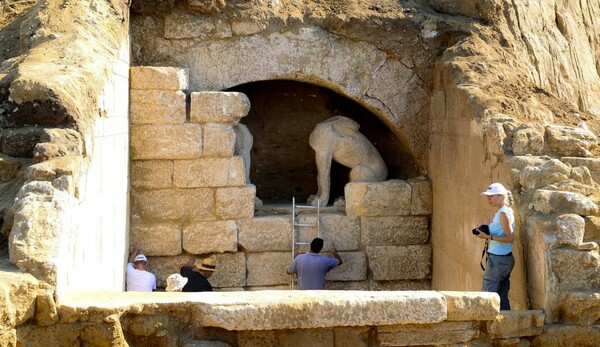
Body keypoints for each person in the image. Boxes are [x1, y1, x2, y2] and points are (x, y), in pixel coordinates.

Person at [475, 182, 516, 310]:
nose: (489, 199)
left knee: (487, 296)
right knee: (502, 298)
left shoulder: (503, 213)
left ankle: (485, 328)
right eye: (488, 196)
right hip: (504, 260)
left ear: (501, 196)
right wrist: (487, 230)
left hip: (497, 261)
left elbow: (510, 238)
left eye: (491, 196)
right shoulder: (506, 211)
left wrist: (488, 237)